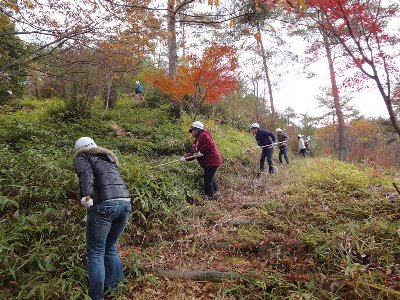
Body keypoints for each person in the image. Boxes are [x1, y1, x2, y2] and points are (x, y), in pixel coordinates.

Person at [74, 137, 131, 300]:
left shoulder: (82, 156)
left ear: (79, 149)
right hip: (125, 203)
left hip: (105, 207)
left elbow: (86, 174)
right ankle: (118, 290)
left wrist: (86, 195)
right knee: (110, 247)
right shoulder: (108, 158)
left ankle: (97, 297)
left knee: (96, 252)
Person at [180, 121, 222, 200]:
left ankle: (209, 198)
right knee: (210, 178)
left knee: (207, 180)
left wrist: (201, 151)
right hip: (209, 162)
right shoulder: (196, 141)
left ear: (196, 129)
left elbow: (209, 143)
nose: (191, 133)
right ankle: (216, 193)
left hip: (212, 160)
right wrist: (185, 158)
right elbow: (192, 153)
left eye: (192, 131)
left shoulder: (204, 134)